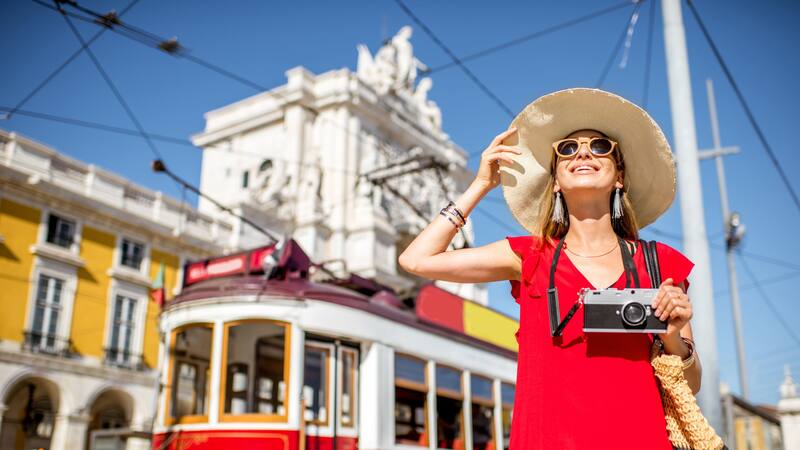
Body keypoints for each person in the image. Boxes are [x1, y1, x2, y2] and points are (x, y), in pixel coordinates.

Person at [398, 88, 701, 449]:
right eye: (567, 149)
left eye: (601, 147)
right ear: (555, 181)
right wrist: (479, 185)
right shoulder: (529, 256)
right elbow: (416, 260)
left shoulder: (659, 261)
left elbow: (691, 383)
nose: (584, 153)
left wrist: (673, 334)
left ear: (620, 176)